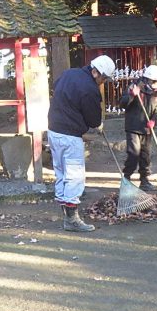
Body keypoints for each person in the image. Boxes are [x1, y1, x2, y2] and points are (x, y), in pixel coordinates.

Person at [47, 54, 116, 232]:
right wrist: (98, 124)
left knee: (61, 173)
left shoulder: (69, 74)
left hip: (53, 131)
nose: (103, 82)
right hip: (70, 136)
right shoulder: (89, 89)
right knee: (75, 177)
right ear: (96, 73)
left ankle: (66, 214)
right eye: (104, 78)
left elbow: (57, 90)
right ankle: (72, 220)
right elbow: (93, 119)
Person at [119, 64, 157, 191]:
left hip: (147, 129)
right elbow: (122, 104)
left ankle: (144, 180)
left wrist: (154, 121)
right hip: (133, 127)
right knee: (134, 154)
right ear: (150, 80)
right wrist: (132, 95)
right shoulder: (134, 87)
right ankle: (126, 179)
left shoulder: (156, 93)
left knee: (146, 155)